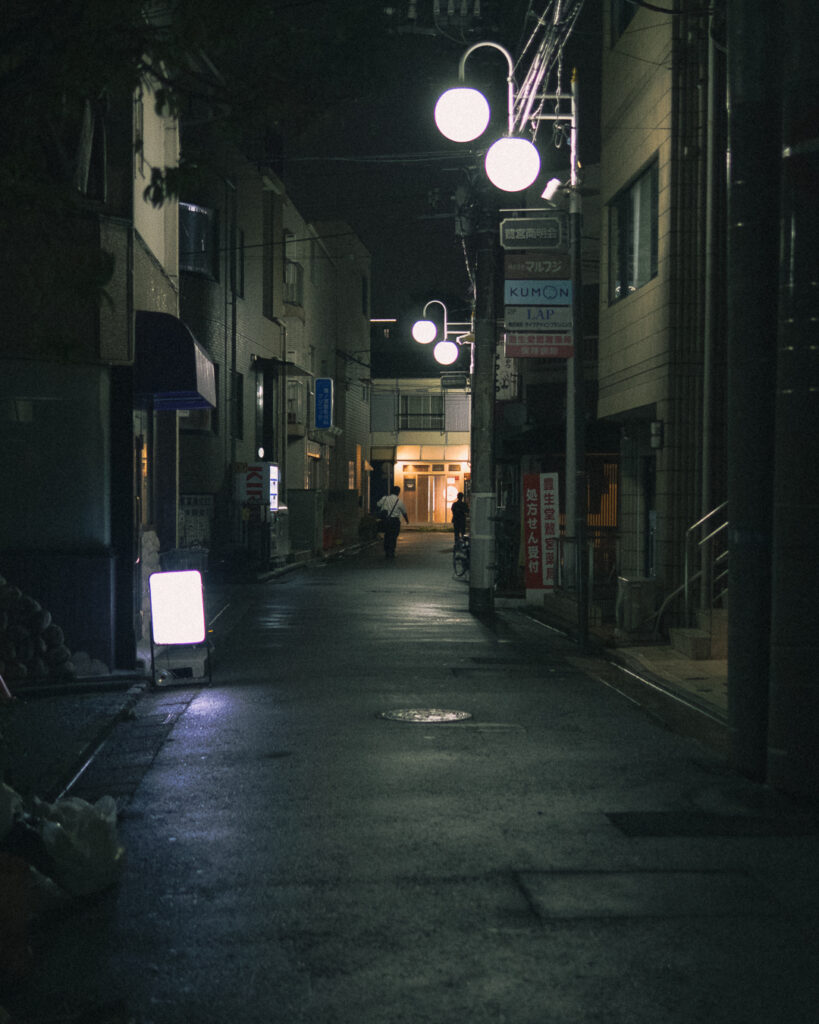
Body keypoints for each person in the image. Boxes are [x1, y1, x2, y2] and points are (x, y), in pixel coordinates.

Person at [376, 485, 409, 558]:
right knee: (393, 536)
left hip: (386, 520)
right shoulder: (399, 501)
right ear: (398, 492)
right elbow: (404, 512)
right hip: (395, 521)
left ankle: (387, 550)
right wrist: (407, 520)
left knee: (387, 535)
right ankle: (392, 551)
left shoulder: (385, 498)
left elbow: (378, 504)